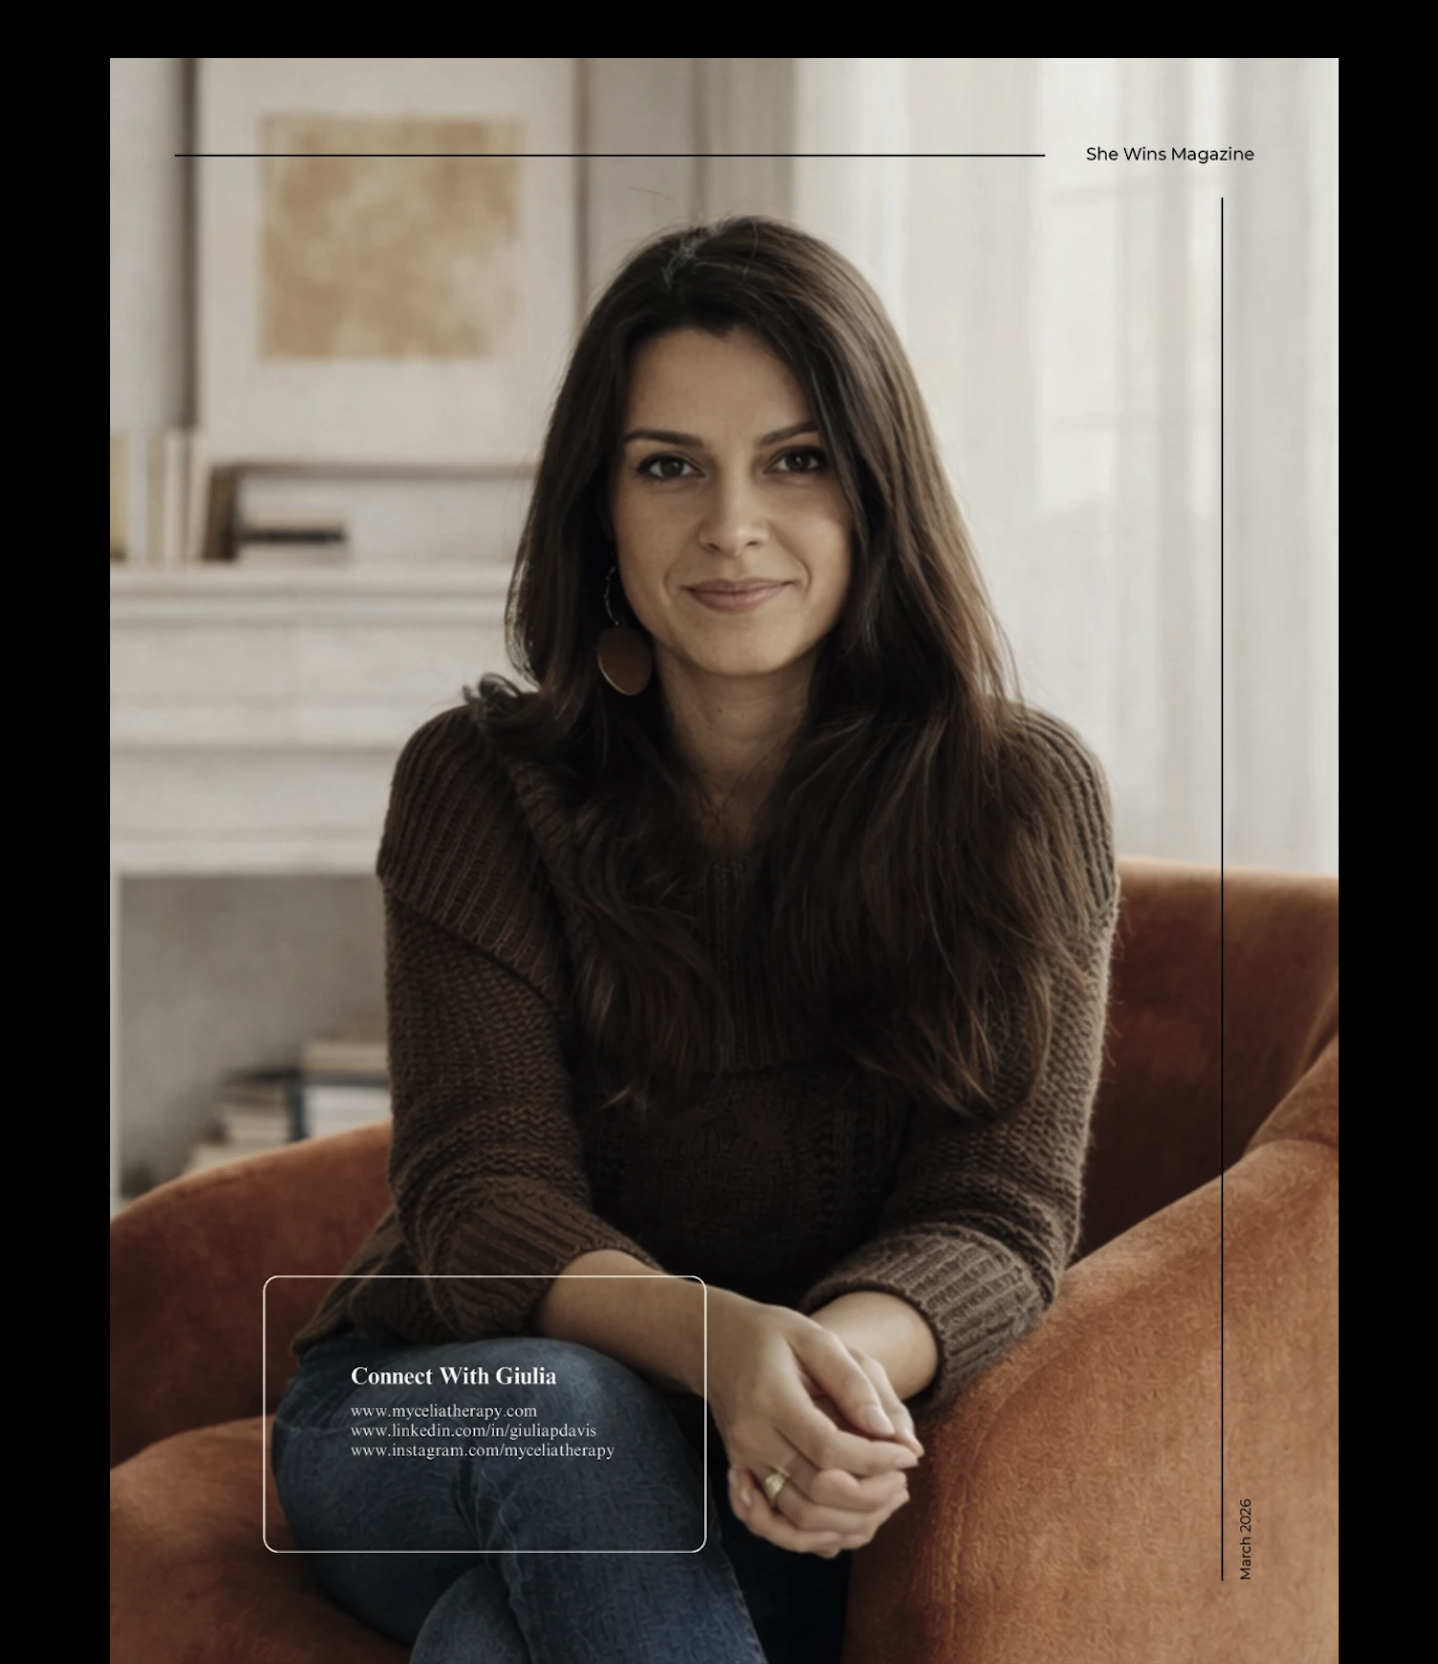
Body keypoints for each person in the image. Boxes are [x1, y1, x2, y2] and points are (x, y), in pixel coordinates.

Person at [272, 216, 1121, 1664]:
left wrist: (826, 1379)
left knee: (496, 1642)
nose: (732, 524)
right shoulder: (478, 783)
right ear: (600, 508)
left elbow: (999, 1215)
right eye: (668, 466)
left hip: (782, 1447)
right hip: (425, 1408)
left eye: (794, 461)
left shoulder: (1015, 800)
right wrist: (723, 1344)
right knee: (571, 1412)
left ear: (876, 493)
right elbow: (479, 1194)